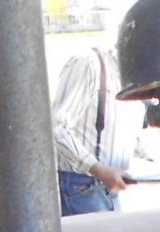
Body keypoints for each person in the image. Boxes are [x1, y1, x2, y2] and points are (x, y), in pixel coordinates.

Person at [50, 38, 145, 215]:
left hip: (110, 188)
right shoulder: (88, 64)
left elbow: (123, 135)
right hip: (80, 188)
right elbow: (56, 127)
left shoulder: (130, 79)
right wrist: (98, 169)